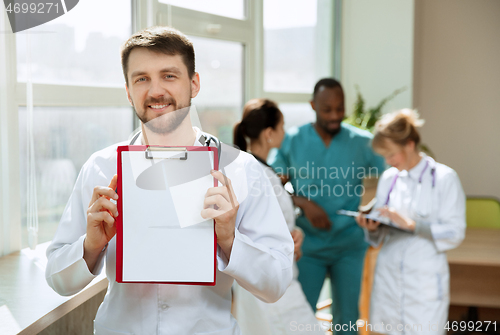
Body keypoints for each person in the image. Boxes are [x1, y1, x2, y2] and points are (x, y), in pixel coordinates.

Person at [45, 26, 294, 335]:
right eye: (141, 79)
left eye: (169, 76)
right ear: (128, 90)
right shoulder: (101, 167)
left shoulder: (241, 169)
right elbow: (57, 278)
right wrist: (91, 246)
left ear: (194, 84)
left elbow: (277, 283)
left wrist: (229, 239)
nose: (155, 91)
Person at [268, 78, 386, 332]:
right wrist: (303, 203)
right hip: (308, 246)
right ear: (313, 105)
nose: (335, 116)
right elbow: (272, 184)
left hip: (350, 245)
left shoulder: (362, 142)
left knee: (347, 320)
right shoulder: (293, 140)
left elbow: (393, 177)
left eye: (339, 108)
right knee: (301, 317)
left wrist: (373, 207)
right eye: (327, 109)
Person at [355, 109, 466, 335]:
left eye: (391, 154)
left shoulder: (444, 178)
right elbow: (379, 236)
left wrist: (413, 225)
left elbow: (455, 232)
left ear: (409, 144)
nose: (388, 161)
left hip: (422, 279)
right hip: (388, 276)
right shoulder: (389, 178)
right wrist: (372, 227)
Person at [232, 98, 324, 335]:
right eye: (282, 126)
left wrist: (294, 235)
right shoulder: (256, 174)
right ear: (269, 133)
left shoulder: (262, 171)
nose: (285, 131)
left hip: (275, 279)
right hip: (269, 284)